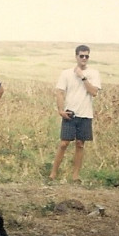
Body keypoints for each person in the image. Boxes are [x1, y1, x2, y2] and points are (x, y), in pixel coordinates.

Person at [49, 45, 101, 181]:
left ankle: (75, 176)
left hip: (86, 114)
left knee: (80, 144)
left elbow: (94, 92)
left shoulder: (94, 73)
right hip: (70, 113)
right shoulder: (66, 73)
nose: (84, 58)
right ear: (76, 56)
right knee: (63, 144)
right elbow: (60, 92)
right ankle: (53, 174)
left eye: (87, 56)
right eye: (81, 56)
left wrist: (82, 77)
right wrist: (60, 110)